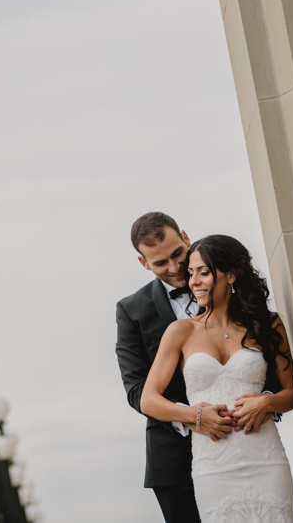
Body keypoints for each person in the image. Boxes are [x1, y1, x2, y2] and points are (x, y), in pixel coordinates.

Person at [141, 234, 293, 522]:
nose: (194, 282)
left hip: (265, 459)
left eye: (203, 272)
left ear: (230, 274)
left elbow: (291, 394)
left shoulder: (268, 323)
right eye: (191, 273)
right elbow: (149, 399)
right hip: (213, 466)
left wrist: (266, 403)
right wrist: (194, 415)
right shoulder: (181, 331)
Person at [116, 212, 207, 523]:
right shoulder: (131, 311)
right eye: (160, 263)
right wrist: (191, 416)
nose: (174, 268)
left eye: (178, 254)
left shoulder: (228, 286)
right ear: (144, 264)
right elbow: (136, 390)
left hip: (241, 443)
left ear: (185, 236)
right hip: (175, 459)